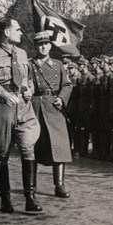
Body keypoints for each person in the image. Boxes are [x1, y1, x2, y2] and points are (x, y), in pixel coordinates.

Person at [0, 17, 41, 213]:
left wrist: (29, 90)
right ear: (6, 32)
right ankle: (5, 198)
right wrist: (4, 95)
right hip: (3, 108)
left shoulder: (23, 54)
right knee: (2, 153)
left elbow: (29, 79)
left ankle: (30, 197)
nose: (21, 32)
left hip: (24, 108)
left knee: (28, 149)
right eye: (17, 29)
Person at [29, 32, 73, 198]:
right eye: (40, 44)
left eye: (46, 43)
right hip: (36, 107)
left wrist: (61, 99)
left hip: (54, 107)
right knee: (32, 146)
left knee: (59, 144)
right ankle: (31, 186)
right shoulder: (29, 65)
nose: (43, 46)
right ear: (35, 46)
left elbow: (67, 85)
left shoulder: (58, 64)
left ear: (50, 45)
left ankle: (59, 185)